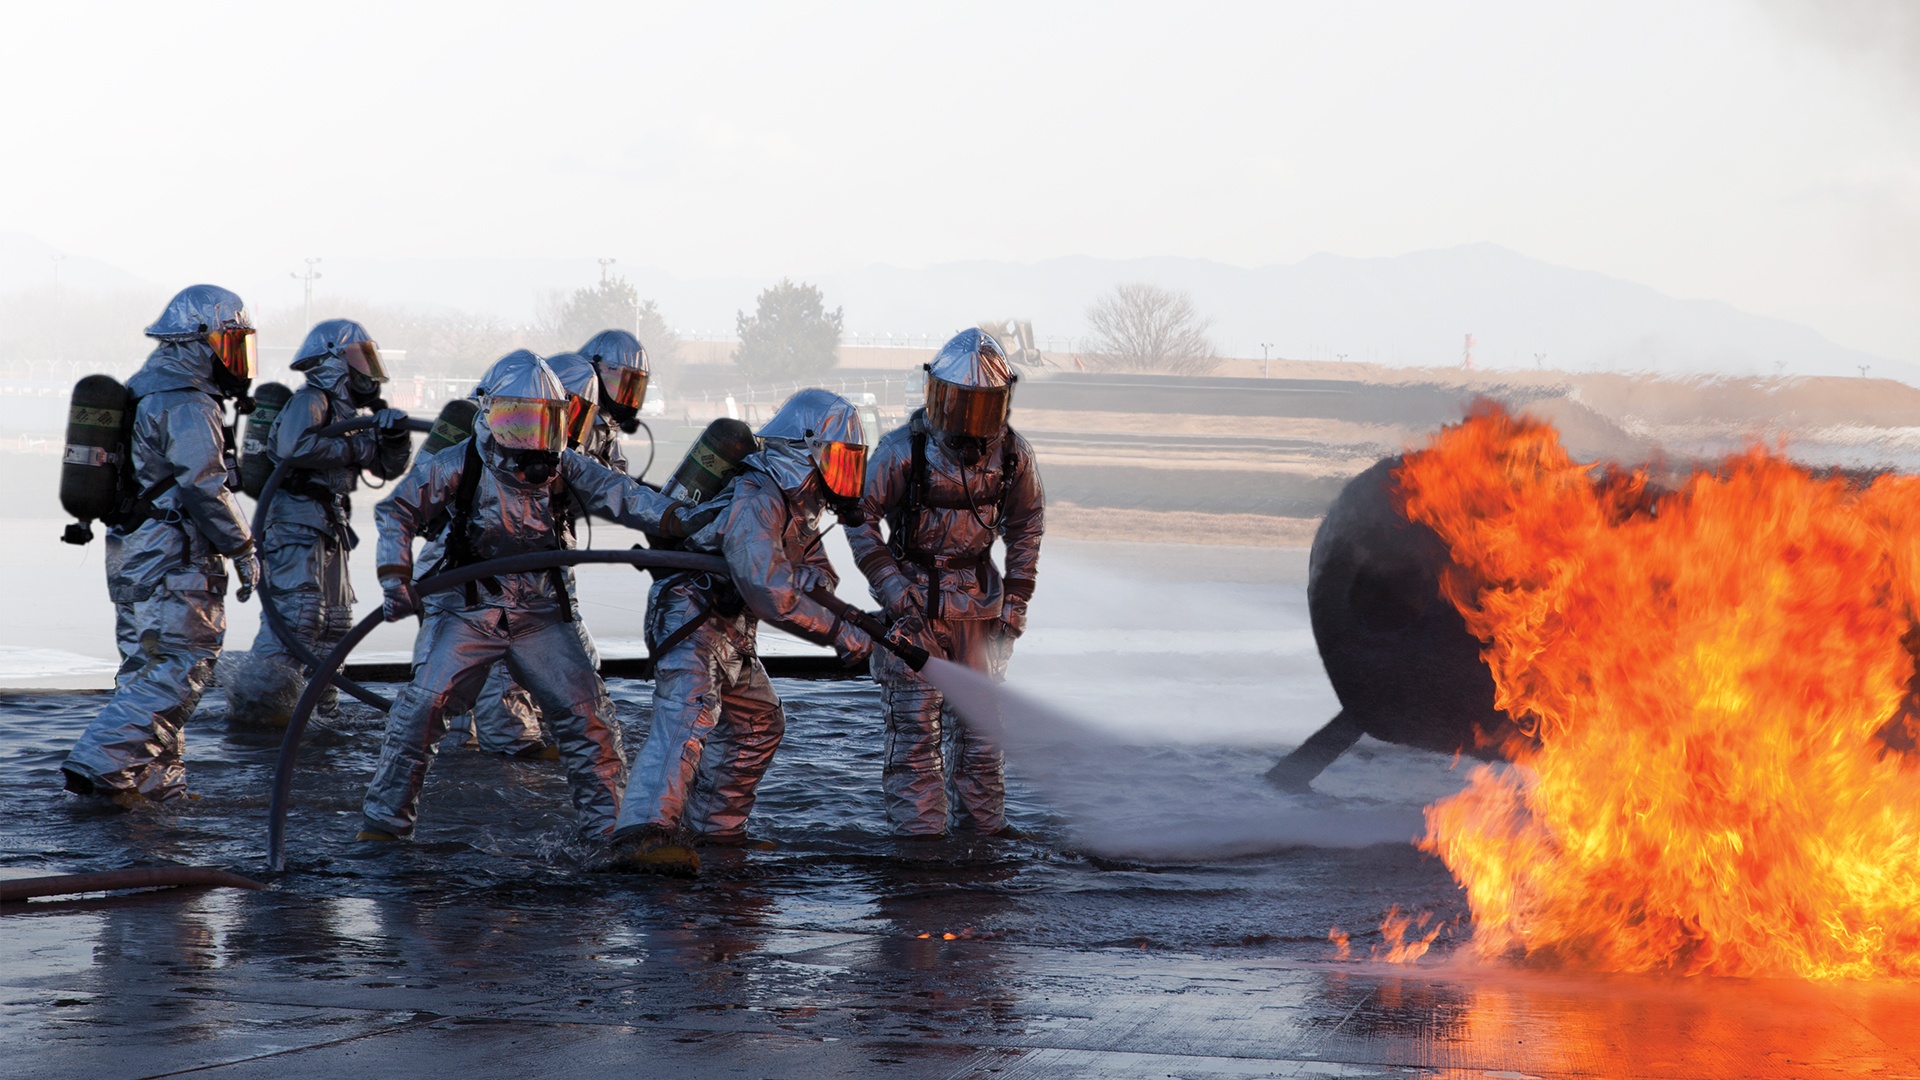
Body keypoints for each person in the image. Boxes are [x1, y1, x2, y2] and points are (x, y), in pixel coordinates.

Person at [359, 354, 697, 842]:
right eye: (517, 423)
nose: (532, 440)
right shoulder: (458, 465)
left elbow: (628, 496)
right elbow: (396, 513)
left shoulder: (568, 469)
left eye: (545, 424)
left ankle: (611, 836)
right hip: (470, 609)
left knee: (590, 722)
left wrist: (690, 521)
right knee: (420, 712)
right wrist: (395, 577)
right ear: (490, 417)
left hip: (542, 613)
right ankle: (384, 828)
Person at [606, 388, 874, 875]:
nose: (845, 476)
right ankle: (641, 834)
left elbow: (812, 569)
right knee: (688, 714)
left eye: (851, 463)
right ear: (806, 449)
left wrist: (829, 594)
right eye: (839, 461)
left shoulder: (799, 504)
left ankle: (715, 831)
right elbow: (766, 589)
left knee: (759, 723)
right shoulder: (758, 493)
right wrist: (843, 633)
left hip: (730, 628)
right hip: (690, 611)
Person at [62, 284, 263, 804]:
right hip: (175, 560)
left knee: (144, 670)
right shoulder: (187, 403)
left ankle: (154, 791)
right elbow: (204, 485)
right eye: (230, 343)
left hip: (134, 553)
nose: (237, 359)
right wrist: (242, 547)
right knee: (180, 667)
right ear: (199, 341)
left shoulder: (143, 388)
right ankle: (100, 762)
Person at [846, 328, 1044, 838]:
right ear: (938, 396)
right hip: (913, 614)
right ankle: (923, 853)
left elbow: (1027, 526)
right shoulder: (902, 452)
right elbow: (860, 517)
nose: (971, 423)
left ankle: (984, 845)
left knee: (983, 740)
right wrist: (893, 589)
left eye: (984, 408)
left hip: (981, 615)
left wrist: (1015, 605)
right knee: (914, 740)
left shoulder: (1015, 459)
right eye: (962, 405)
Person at [233, 319, 412, 723]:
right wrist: (360, 444)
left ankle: (318, 717)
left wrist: (394, 438)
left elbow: (385, 466)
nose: (366, 370)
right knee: (297, 616)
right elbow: (294, 446)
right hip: (294, 519)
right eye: (357, 359)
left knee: (334, 624)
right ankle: (257, 712)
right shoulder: (311, 400)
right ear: (333, 361)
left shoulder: (353, 413)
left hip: (329, 522)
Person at [465, 350, 620, 757]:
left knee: (576, 657)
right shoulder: (493, 450)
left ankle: (545, 734)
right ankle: (511, 747)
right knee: (499, 656)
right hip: (486, 577)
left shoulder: (577, 448)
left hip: (548, 568)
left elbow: (615, 485)